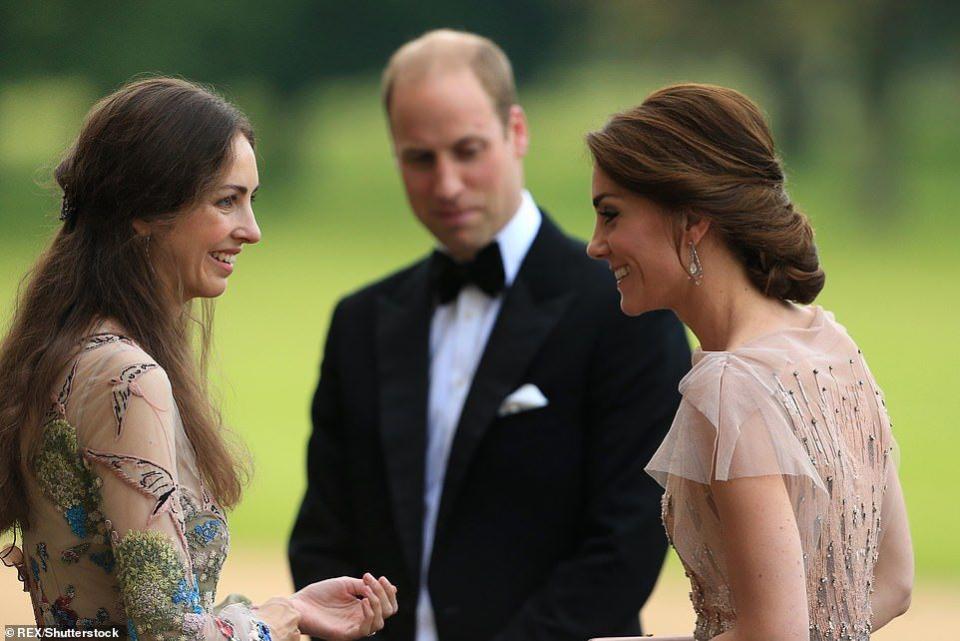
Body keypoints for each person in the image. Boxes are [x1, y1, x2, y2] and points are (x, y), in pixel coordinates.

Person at [288, 29, 691, 641]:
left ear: (517, 132)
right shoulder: (360, 320)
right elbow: (322, 534)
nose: (446, 184)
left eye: (467, 150)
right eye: (420, 158)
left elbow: (627, 541)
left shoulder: (626, 308)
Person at [0, 77, 397, 641]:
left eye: (251, 201)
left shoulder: (66, 347)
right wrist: (278, 620)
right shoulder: (125, 376)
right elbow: (168, 634)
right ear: (145, 210)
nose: (252, 231)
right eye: (226, 201)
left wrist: (288, 606)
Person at [585, 83, 913, 640]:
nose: (596, 244)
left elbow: (775, 635)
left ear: (692, 221)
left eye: (611, 216)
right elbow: (894, 583)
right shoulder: (830, 344)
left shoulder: (729, 384)